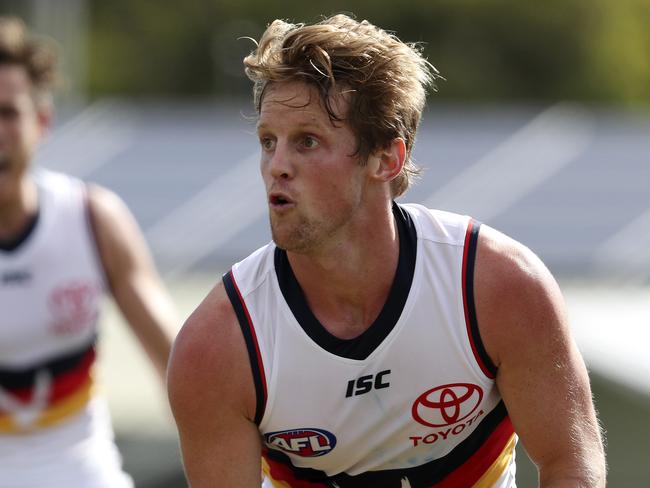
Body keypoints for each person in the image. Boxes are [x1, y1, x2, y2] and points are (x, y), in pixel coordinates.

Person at [167, 13, 606, 487]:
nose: (277, 166)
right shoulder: (217, 347)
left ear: (386, 158)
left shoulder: (500, 285)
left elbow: (571, 464)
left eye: (307, 142)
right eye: (268, 142)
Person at [0, 16, 177, 488]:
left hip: (82, 473)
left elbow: (179, 367)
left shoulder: (92, 218)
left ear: (42, 121)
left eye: (7, 113)